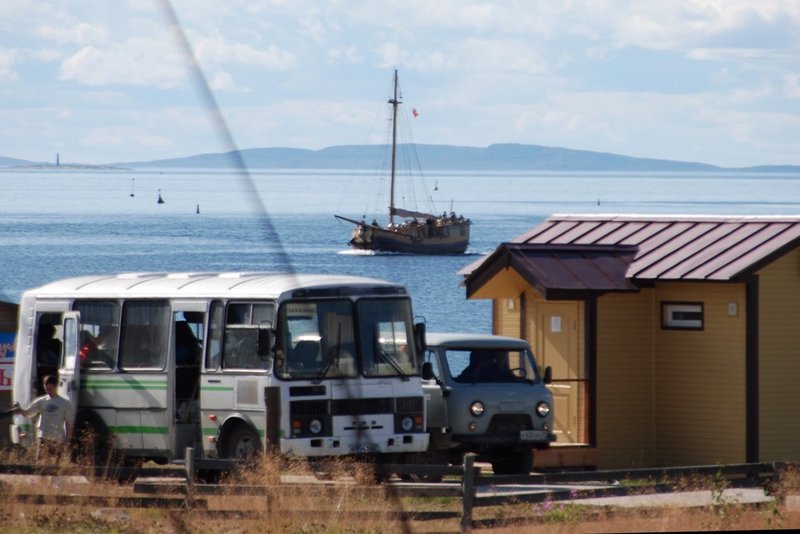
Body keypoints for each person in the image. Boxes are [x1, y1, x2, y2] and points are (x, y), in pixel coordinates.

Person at [11, 375, 73, 460]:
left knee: (56, 465)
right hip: (43, 437)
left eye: (50, 389)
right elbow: (27, 413)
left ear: (56, 387)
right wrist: (19, 408)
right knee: (40, 463)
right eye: (46, 389)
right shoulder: (42, 401)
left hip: (58, 439)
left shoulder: (65, 403)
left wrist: (68, 439)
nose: (48, 391)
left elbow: (68, 422)